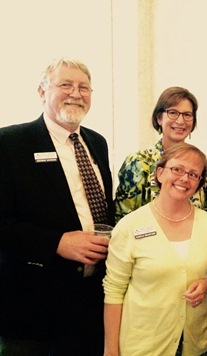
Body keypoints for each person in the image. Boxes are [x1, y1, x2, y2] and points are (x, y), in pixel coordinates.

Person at [0, 58, 114, 355]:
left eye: (84, 87)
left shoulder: (98, 143)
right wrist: (56, 242)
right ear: (42, 91)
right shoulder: (10, 143)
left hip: (92, 301)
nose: (76, 93)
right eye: (65, 84)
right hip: (33, 307)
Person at [103, 143, 207, 356]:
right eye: (177, 169)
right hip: (143, 346)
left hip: (194, 344)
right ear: (160, 173)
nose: (184, 178)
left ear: (199, 184)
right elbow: (114, 292)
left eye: (193, 174)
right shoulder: (129, 226)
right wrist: (111, 351)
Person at [114, 87, 207, 222]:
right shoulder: (138, 162)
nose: (180, 121)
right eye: (173, 113)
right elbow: (123, 220)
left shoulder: (198, 164)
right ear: (159, 118)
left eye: (187, 115)